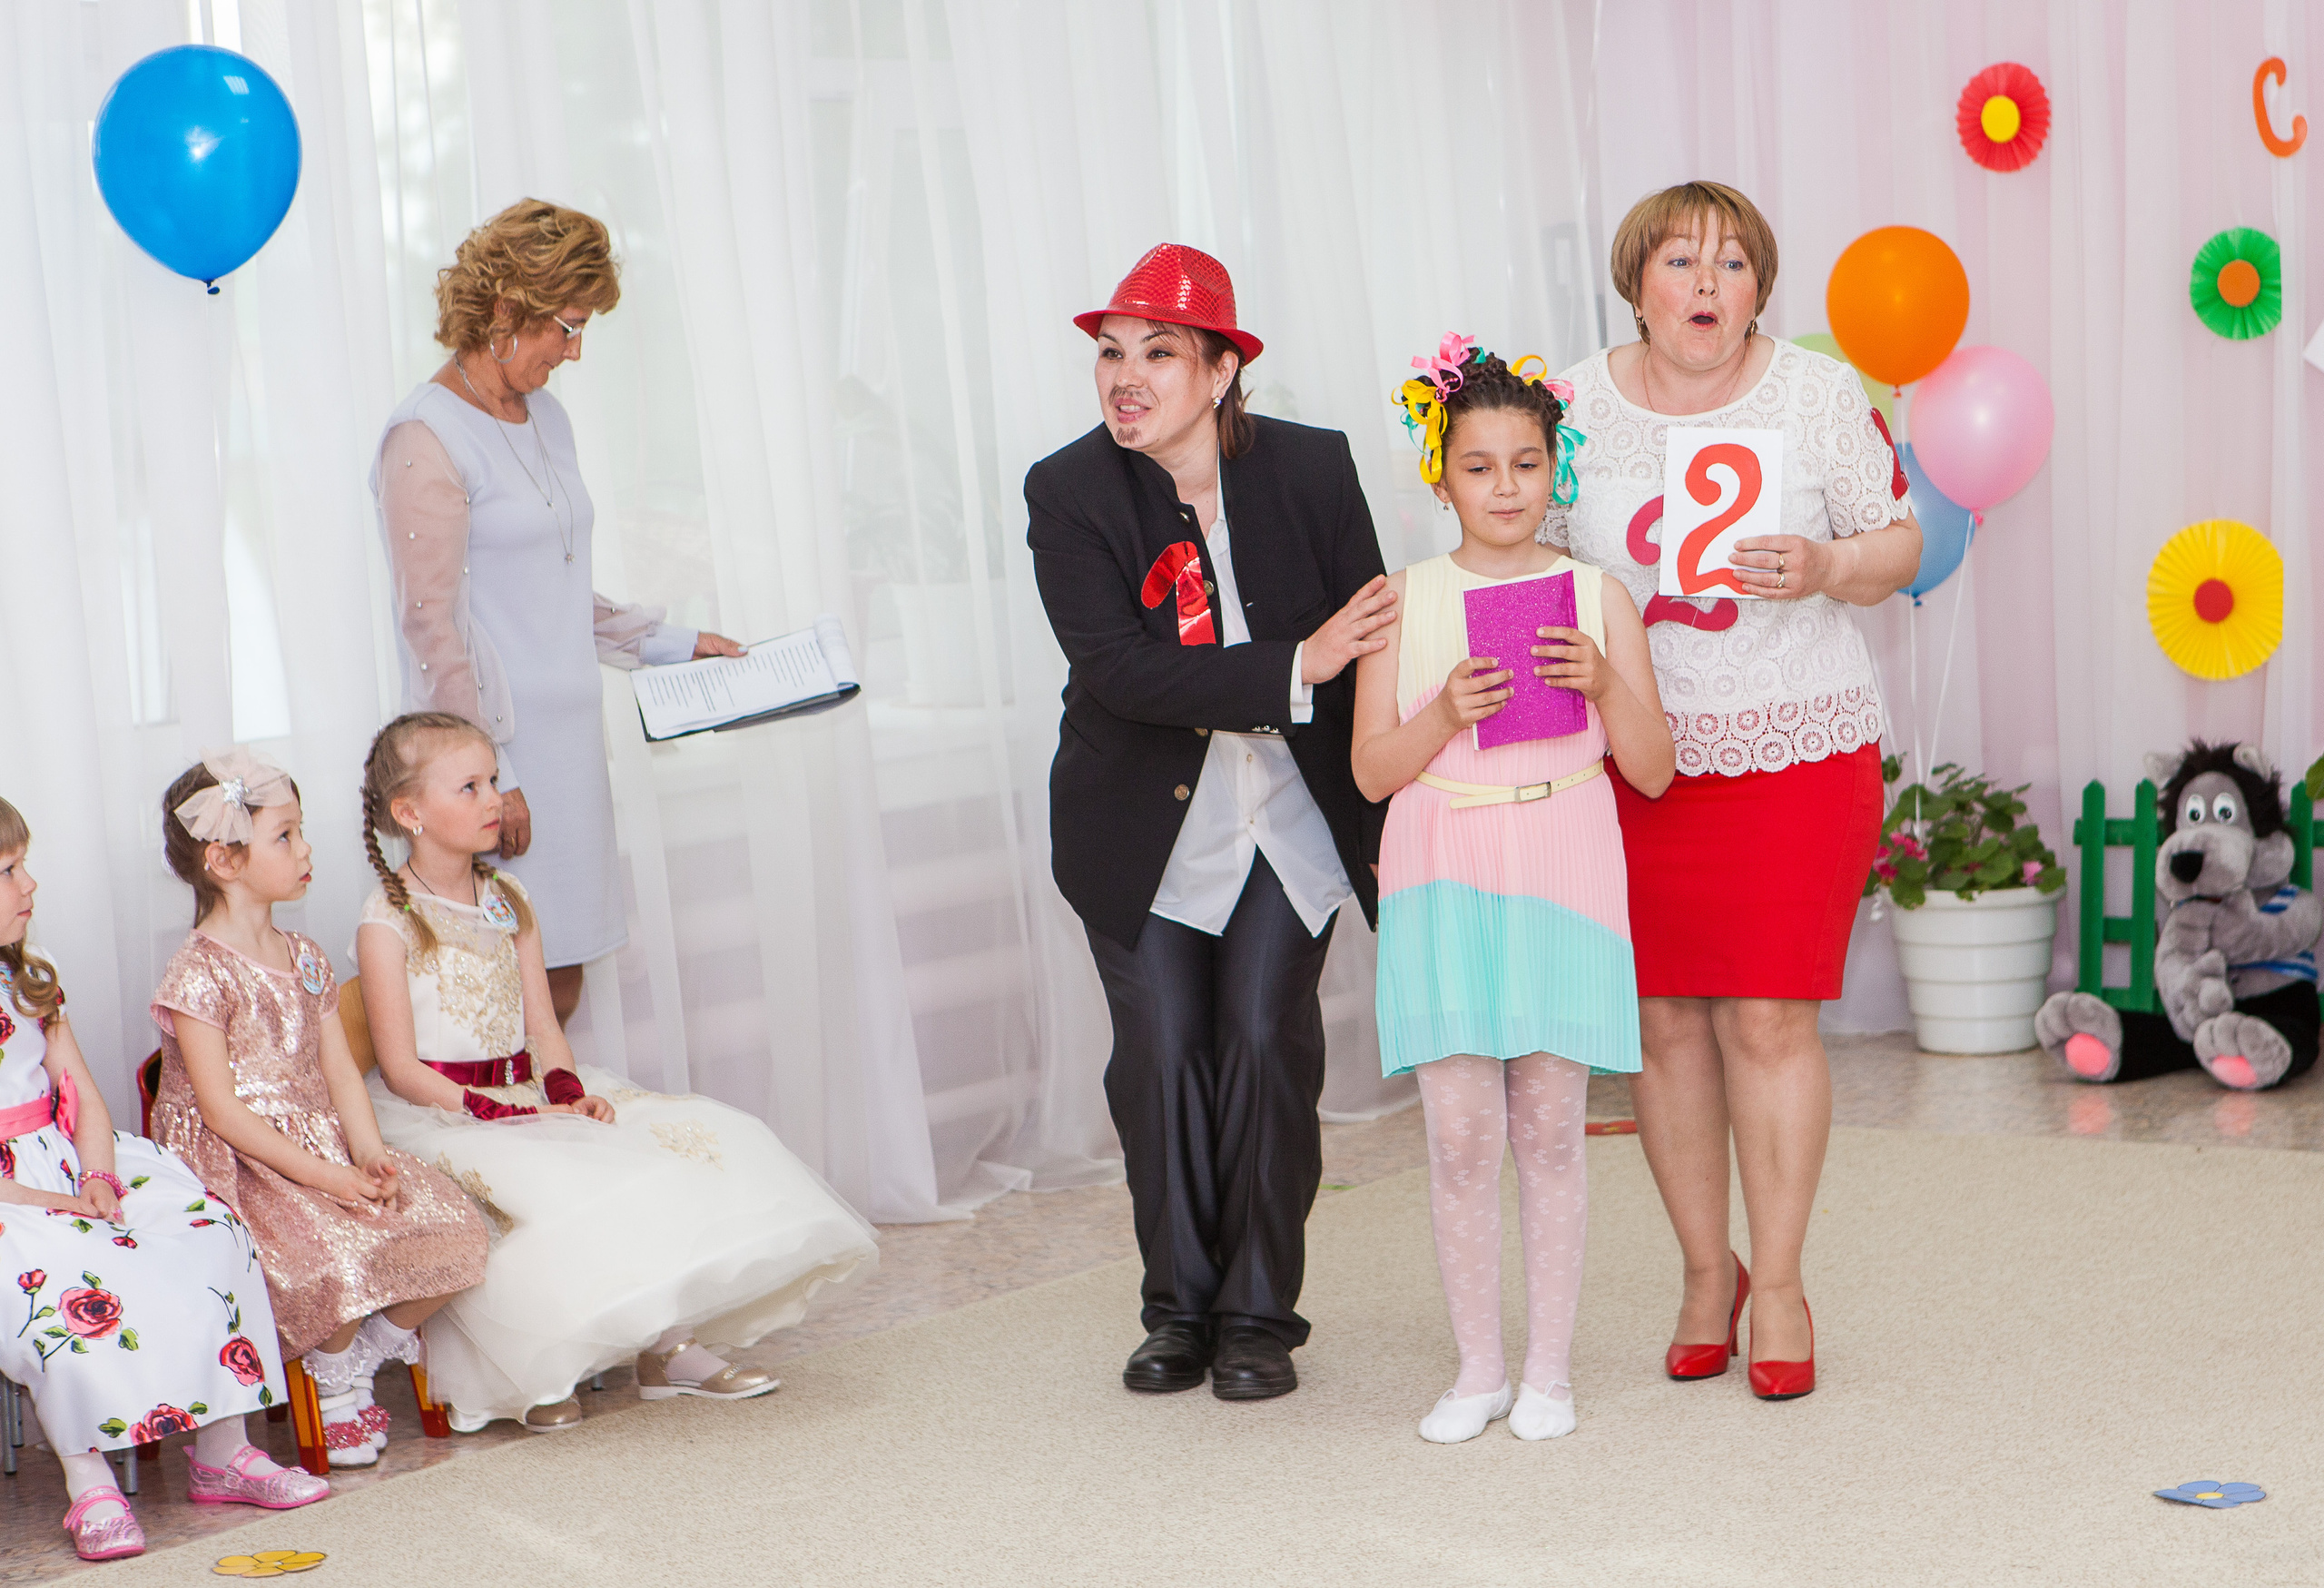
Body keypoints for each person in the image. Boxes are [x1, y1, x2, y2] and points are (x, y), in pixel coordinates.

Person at [1543, 182, 1923, 1400]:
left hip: (1794, 744)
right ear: (1634, 278)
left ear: (1762, 287)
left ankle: (1783, 1281)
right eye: (1679, 261)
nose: (1706, 286)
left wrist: (1825, 564)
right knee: (1662, 1025)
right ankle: (1707, 1272)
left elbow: (1900, 543)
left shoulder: (1814, 393)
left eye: (1733, 266)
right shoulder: (1572, 402)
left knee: (1767, 1016)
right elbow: (1524, 550)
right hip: (1634, 754)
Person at [1027, 243, 1394, 1402]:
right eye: (1109, 354)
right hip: (1139, 827)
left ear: (1224, 369)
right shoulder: (1069, 490)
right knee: (1160, 1059)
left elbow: (1375, 635)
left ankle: (1256, 1317)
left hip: (1289, 816)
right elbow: (1123, 673)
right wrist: (1301, 659)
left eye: (1158, 354)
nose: (1124, 378)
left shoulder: (1312, 469)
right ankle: (1174, 1312)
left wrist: (1385, 760)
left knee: (1260, 1044)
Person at [352, 712, 878, 1432]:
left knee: (684, 1139)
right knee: (553, 1182)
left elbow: (542, 1024)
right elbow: (401, 1065)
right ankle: (546, 1365)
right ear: (410, 812)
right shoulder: (388, 918)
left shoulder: (510, 900)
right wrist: (503, 1113)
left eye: (495, 782)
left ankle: (671, 1348)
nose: (493, 800)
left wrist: (566, 1092)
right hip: (446, 1110)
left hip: (532, 1091)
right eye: (469, 786)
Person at [1353, 343, 1671, 1443]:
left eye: (1526, 463)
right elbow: (1370, 772)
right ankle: (1476, 1367)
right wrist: (1441, 712)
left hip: (1563, 858)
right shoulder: (1402, 601)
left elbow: (1653, 768)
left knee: (1548, 1129)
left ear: (1556, 470)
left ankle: (1548, 1372)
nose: (1503, 487)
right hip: (1441, 865)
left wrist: (1602, 680)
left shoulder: (1597, 596)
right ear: (1441, 474)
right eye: (1478, 466)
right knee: (1456, 1135)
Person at [369, 198, 743, 1024]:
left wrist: (675, 643)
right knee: (497, 993)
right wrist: (489, 781)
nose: (574, 352)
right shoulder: (424, 436)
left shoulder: (548, 418)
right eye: (566, 327)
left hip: (570, 749)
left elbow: (561, 584)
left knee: (560, 979)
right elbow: (433, 630)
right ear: (507, 310)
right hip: (497, 755)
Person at [0, 797, 326, 1562]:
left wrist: (102, 1174)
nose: (31, 884)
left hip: (72, 1160)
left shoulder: (31, 984)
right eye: (9, 871)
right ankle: (92, 1485)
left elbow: (79, 1089)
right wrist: (60, 1202)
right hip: (13, 1196)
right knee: (62, 1279)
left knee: (208, 1232)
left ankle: (223, 1451)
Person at [147, 752, 489, 1467]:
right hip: (242, 1162)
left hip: (323, 1144)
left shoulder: (304, 955)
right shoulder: (200, 969)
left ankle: (357, 1358)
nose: (306, 851)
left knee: (456, 1229)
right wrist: (327, 1180)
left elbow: (339, 1072)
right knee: (332, 1250)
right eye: (286, 836)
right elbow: (222, 1110)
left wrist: (367, 1155)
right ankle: (334, 1390)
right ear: (224, 859)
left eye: (302, 833)